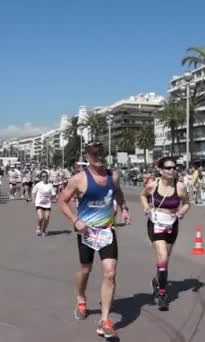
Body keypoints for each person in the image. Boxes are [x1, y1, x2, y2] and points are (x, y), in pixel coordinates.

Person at [58, 142, 128, 339]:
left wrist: (124, 208)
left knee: (110, 273)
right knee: (85, 269)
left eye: (100, 153)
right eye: (94, 153)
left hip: (106, 231)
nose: (98, 156)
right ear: (87, 156)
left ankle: (104, 320)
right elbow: (62, 201)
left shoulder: (112, 176)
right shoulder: (79, 179)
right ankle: (81, 298)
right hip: (86, 232)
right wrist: (75, 220)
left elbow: (118, 192)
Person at [139, 157, 190, 310]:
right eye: (168, 168)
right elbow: (142, 196)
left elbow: (187, 203)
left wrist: (181, 212)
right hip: (156, 224)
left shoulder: (179, 187)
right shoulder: (153, 185)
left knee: (165, 260)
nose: (172, 170)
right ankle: (162, 294)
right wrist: (146, 207)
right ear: (160, 170)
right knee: (162, 256)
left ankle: (157, 281)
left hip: (172, 224)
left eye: (174, 167)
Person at [32, 170, 56, 236]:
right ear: (41, 177)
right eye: (43, 176)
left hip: (47, 203)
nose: (44, 177)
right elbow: (33, 192)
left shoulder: (50, 185)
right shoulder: (38, 185)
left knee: (46, 218)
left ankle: (44, 230)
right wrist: (33, 200)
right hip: (39, 203)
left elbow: (53, 194)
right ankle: (39, 227)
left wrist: (54, 199)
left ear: (48, 177)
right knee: (40, 217)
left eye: (46, 176)